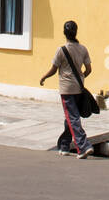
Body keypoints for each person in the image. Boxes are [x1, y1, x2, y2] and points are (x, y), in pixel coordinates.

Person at [39, 20, 94, 158]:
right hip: (79, 87)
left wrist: (44, 77)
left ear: (64, 33)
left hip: (67, 89)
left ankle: (83, 146)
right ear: (76, 32)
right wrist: (81, 78)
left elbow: (53, 69)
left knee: (72, 117)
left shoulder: (61, 50)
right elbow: (88, 69)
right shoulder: (83, 49)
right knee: (70, 116)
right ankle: (64, 146)